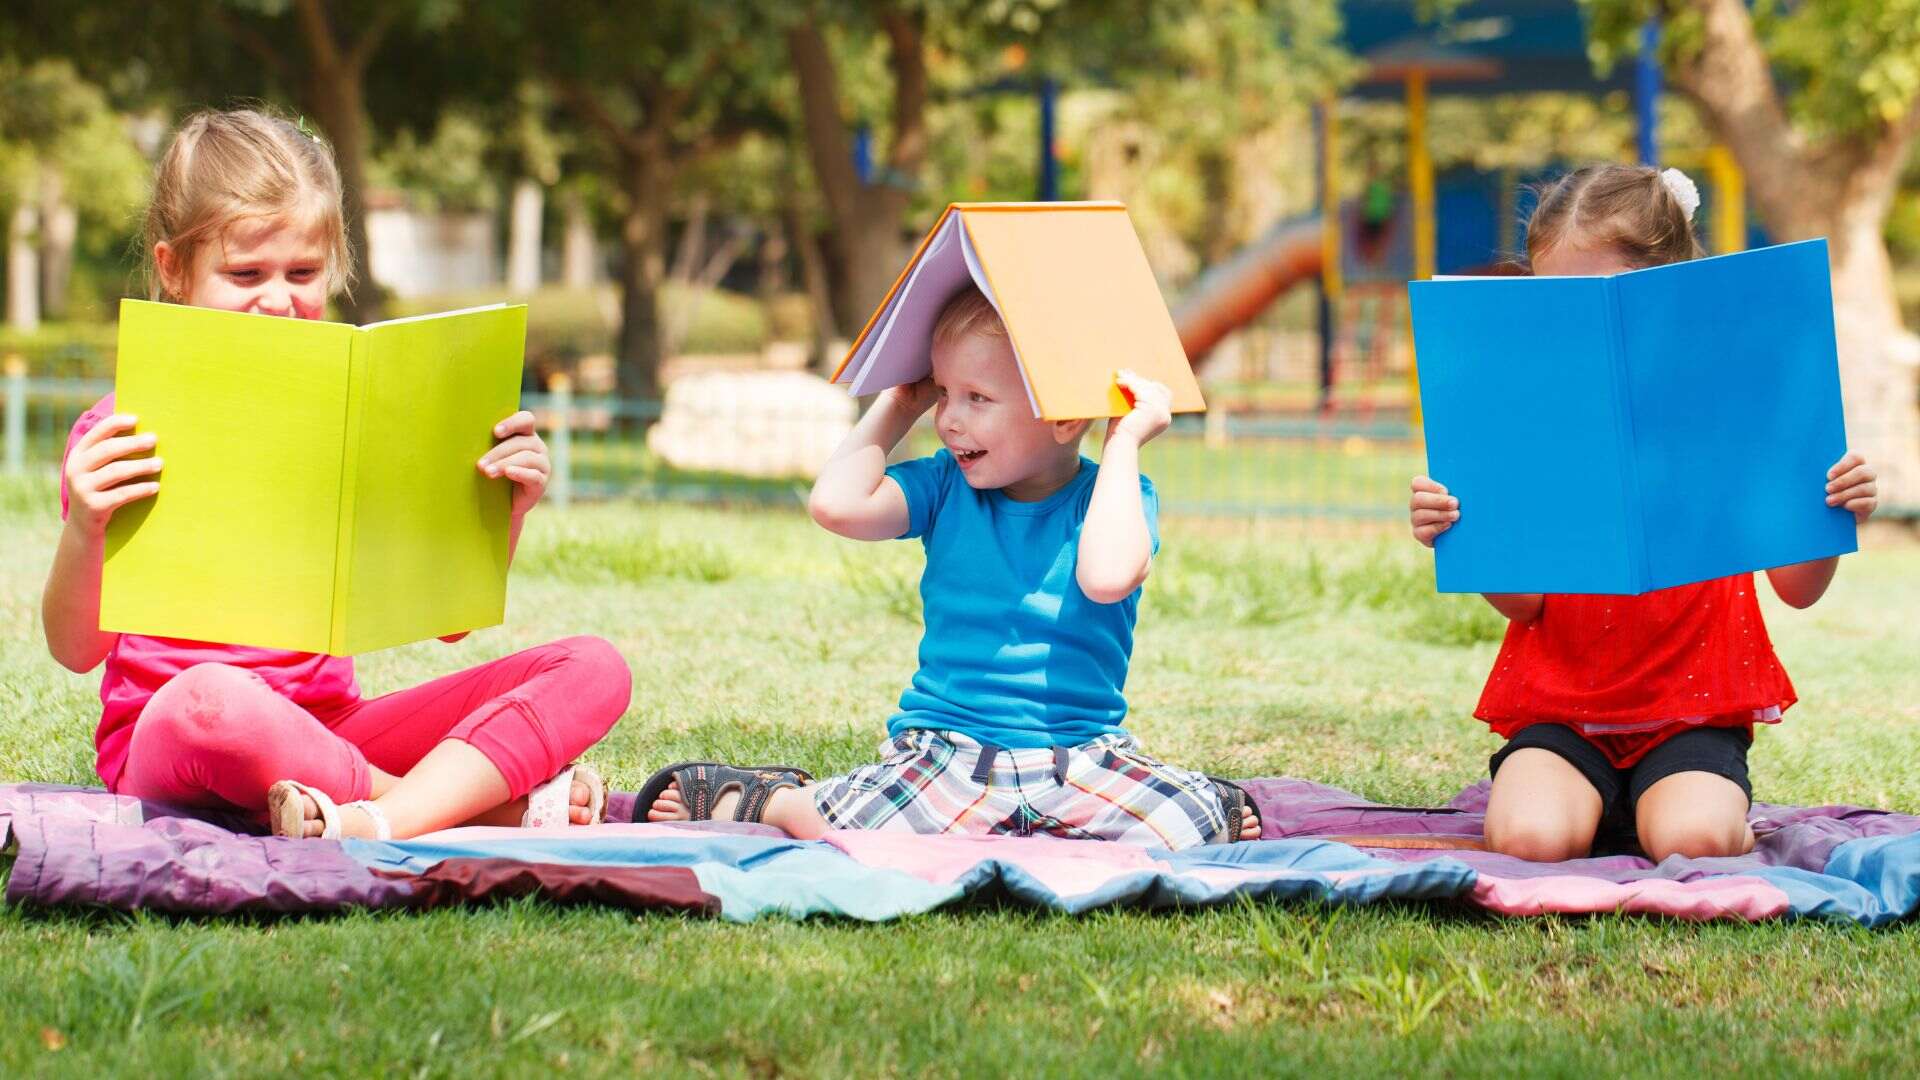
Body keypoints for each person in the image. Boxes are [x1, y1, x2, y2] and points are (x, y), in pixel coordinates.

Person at [43, 109, 632, 841]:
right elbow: (73, 651)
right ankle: (461, 810)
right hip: (184, 737)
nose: (279, 298)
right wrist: (84, 526)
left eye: (302, 272)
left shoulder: (368, 421)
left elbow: (450, 627)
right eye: (245, 273)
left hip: (333, 731)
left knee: (595, 667)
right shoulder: (122, 428)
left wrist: (504, 508)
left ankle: (375, 815)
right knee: (212, 704)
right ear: (173, 269)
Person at [638, 286, 1259, 849]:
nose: (949, 418)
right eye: (942, 393)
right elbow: (835, 505)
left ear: (1067, 418)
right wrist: (898, 406)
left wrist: (1122, 439)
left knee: (1188, 829)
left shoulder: (1119, 494)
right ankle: (768, 798)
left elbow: (1105, 576)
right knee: (849, 831)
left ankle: (1201, 801)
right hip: (949, 753)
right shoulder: (943, 486)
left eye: (977, 398)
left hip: (1081, 758)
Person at [1408, 164, 1880, 862]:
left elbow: (1798, 591)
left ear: (1669, 286)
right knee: (1527, 839)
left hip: (1693, 712)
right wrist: (1466, 535)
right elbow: (1523, 605)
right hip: (1562, 711)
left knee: (1694, 840)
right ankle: (1600, 804)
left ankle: (1674, 806)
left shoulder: (1738, 404)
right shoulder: (1530, 415)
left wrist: (1835, 511)